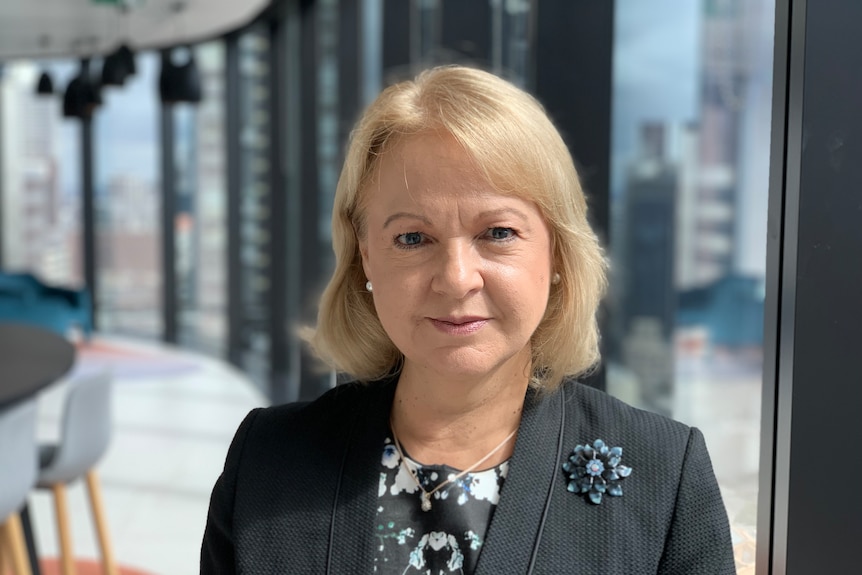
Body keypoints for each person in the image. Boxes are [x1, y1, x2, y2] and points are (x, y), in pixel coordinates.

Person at [200, 65, 735, 575]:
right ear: (367, 257)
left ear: (556, 254)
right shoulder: (266, 462)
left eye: (497, 233)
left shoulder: (665, 475)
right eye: (412, 238)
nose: (456, 279)